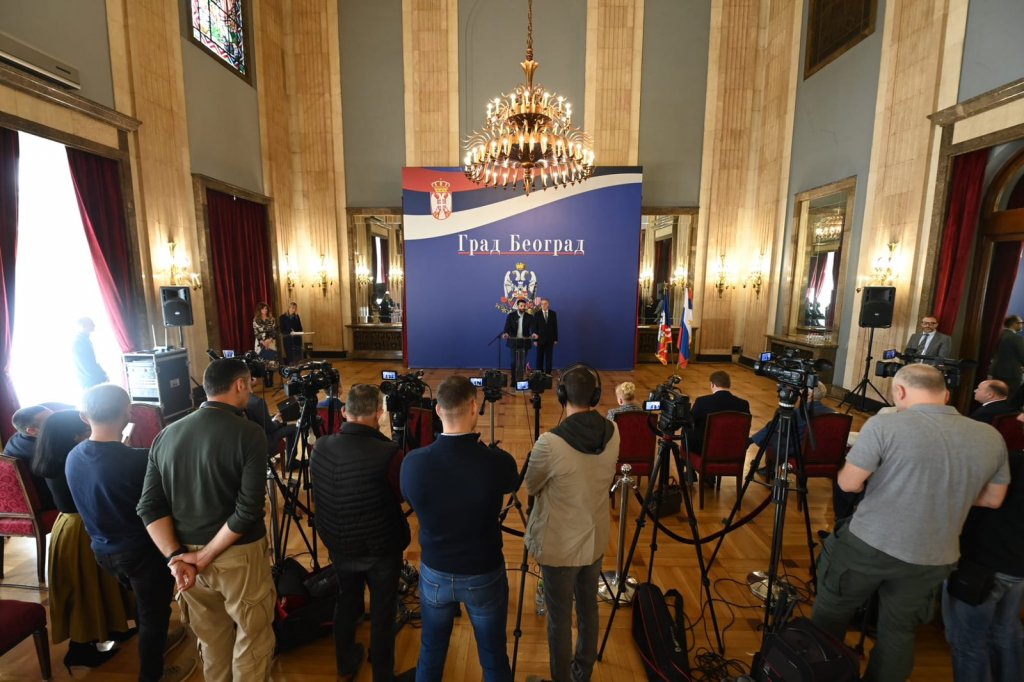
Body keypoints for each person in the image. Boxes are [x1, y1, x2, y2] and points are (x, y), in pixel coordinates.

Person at [811, 364, 1010, 682]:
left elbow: (849, 484)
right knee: (899, 631)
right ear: (946, 395)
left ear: (899, 391)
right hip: (935, 555)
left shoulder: (885, 425)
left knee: (831, 615)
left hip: (869, 544)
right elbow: (993, 499)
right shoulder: (990, 436)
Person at [137, 358, 274, 682]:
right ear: (239, 385)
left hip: (186, 559)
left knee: (211, 643)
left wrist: (176, 557)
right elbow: (248, 510)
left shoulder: (166, 434)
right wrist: (205, 556)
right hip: (237, 556)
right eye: (249, 385)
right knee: (252, 639)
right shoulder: (249, 433)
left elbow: (149, 507)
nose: (250, 391)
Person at [66, 385, 195, 682]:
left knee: (145, 605)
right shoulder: (139, 460)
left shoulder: (73, 455)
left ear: (85, 417)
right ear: (128, 414)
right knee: (154, 615)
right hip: (142, 553)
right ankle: (153, 675)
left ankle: (158, 644)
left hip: (103, 550)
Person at [400, 376, 519, 682]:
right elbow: (511, 483)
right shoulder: (497, 462)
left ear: (438, 409)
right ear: (475, 407)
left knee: (431, 653)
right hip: (484, 572)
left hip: (435, 573)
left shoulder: (413, 463)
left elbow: (411, 498)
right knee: (493, 657)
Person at [311, 384, 414, 682]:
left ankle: (345, 664)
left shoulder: (320, 447)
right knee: (383, 610)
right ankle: (383, 674)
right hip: (381, 548)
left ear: (345, 411)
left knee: (346, 600)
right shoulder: (389, 453)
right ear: (379, 413)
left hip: (338, 542)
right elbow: (402, 495)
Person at [524, 364, 619, 682]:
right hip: (595, 539)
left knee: (559, 619)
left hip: (560, 546)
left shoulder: (549, 443)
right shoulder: (613, 431)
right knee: (588, 608)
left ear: (561, 395)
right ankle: (582, 673)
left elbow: (531, 485)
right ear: (595, 395)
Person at [32, 410, 135, 672]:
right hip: (82, 527)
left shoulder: (54, 456)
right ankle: (80, 649)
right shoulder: (75, 459)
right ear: (74, 436)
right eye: (86, 431)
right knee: (85, 588)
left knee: (100, 584)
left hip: (70, 524)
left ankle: (114, 627)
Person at [943, 411, 1024, 681]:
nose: (1019, 418)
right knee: (1007, 632)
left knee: (967, 643)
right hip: (1018, 569)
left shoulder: (1012, 463)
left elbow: (977, 498)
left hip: (982, 565)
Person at [751, 383, 835, 472]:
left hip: (798, 452)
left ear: (809, 395)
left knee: (773, 435)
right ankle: (753, 443)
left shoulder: (797, 413)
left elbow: (778, 429)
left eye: (801, 391)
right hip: (824, 452)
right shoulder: (833, 413)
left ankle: (769, 468)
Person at [4, 405, 57, 511]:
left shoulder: (16, 438)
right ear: (32, 431)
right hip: (47, 501)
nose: (59, 421)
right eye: (51, 421)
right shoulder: (45, 451)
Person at [688, 370, 750, 454]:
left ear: (712, 384)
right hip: (733, 452)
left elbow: (690, 422)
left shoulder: (702, 402)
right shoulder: (743, 404)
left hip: (705, 452)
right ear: (728, 384)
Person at [244, 375, 297, 457]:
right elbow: (270, 428)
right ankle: (292, 461)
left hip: (250, 438)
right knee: (294, 428)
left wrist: (275, 420)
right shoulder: (257, 402)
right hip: (264, 440)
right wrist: (277, 421)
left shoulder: (239, 400)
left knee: (277, 419)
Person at [989, 315, 1024, 398]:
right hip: (1011, 375)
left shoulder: (997, 335)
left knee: (996, 398)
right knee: (1010, 399)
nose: (1022, 325)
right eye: (1021, 323)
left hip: (995, 372)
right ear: (1014, 324)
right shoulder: (1016, 338)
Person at [502, 298, 536, 381]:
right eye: (521, 306)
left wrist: (534, 333)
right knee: (513, 362)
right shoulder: (511, 316)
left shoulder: (529, 317)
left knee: (523, 362)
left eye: (524, 306)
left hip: (525, 342)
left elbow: (533, 328)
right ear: (517, 306)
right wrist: (506, 333)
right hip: (514, 341)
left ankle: (521, 379)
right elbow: (507, 327)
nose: (523, 307)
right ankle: (513, 379)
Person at [73, 317, 108, 389]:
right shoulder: (79, 342)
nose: (94, 325)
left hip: (91, 380)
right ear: (84, 326)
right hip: (90, 381)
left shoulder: (84, 339)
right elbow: (86, 365)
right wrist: (101, 377)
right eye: (91, 323)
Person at [533, 298, 558, 374]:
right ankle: (539, 373)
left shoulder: (553, 314)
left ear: (548, 304)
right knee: (539, 357)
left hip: (550, 339)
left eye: (545, 303)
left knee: (549, 358)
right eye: (542, 304)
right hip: (539, 339)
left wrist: (555, 339)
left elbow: (555, 327)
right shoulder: (537, 314)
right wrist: (535, 340)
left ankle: (548, 374)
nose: (543, 305)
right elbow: (534, 328)